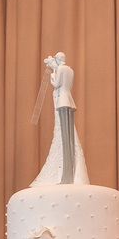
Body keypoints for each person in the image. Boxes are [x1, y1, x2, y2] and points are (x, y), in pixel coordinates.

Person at [31, 52, 89, 186]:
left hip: (61, 101)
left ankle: (66, 173)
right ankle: (71, 171)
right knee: (68, 133)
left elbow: (57, 84)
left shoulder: (61, 69)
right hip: (69, 100)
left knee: (64, 134)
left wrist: (52, 76)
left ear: (58, 59)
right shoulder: (71, 70)